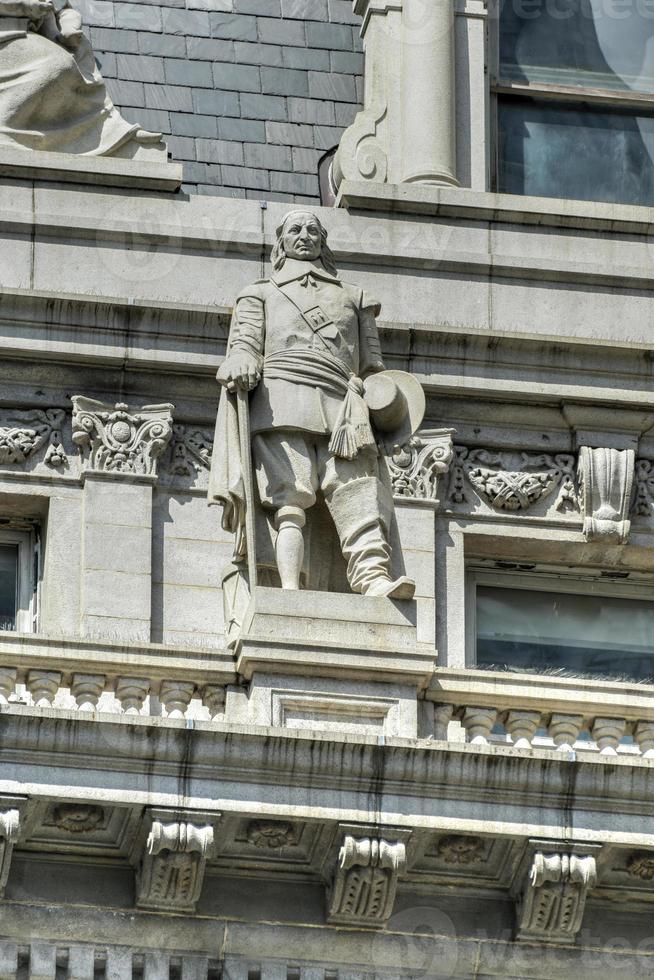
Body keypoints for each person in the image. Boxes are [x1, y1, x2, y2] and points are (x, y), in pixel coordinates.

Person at [209, 210, 420, 601]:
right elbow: (245, 344)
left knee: (358, 492)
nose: (304, 235)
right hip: (281, 399)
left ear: (323, 240)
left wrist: (384, 399)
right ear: (282, 241)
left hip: (345, 408)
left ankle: (373, 579)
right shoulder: (260, 293)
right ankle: (288, 587)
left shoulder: (355, 297)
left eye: (312, 230)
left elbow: (372, 366)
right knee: (289, 496)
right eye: (295, 229)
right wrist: (241, 360)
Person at [0, 0, 160, 156]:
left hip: (32, 36)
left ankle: (110, 129)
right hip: (7, 35)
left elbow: (63, 9)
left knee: (76, 60)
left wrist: (69, 27)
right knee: (58, 63)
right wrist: (22, 7)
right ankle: (4, 127)